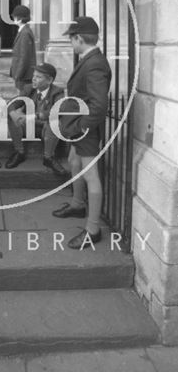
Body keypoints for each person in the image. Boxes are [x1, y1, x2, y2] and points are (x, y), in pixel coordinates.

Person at [52, 16, 112, 249]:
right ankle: (77, 204)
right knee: (73, 161)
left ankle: (93, 229)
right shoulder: (90, 59)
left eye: (71, 38)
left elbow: (99, 106)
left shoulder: (95, 62)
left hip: (83, 130)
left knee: (91, 176)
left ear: (79, 38)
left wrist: (78, 129)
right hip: (77, 128)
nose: (70, 43)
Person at [6, 63, 67, 174]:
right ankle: (19, 152)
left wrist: (34, 116)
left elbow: (58, 110)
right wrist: (13, 113)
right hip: (29, 127)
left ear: (49, 80)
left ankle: (48, 158)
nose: (34, 79)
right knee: (12, 116)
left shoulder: (57, 92)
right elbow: (12, 103)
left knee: (55, 122)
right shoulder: (29, 89)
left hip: (46, 129)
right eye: (34, 75)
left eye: (38, 77)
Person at [10, 5, 36, 93]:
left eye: (15, 17)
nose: (13, 19)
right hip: (23, 75)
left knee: (22, 102)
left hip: (24, 76)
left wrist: (18, 75)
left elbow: (24, 57)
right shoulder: (23, 31)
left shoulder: (25, 33)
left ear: (20, 19)